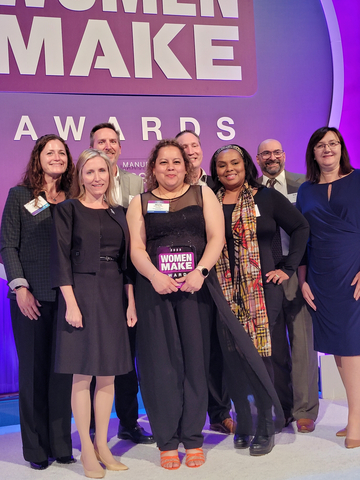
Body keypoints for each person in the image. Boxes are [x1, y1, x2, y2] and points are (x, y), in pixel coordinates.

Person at [127, 139, 285, 469]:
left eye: (176, 162)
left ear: (187, 167)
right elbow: (137, 249)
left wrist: (200, 271)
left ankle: (193, 437)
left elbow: (216, 238)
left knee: (196, 363)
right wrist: (155, 276)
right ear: (153, 168)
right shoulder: (139, 202)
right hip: (155, 290)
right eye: (163, 162)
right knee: (160, 366)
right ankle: (167, 441)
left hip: (196, 288)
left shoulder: (203, 194)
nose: (170, 167)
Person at [210, 144, 309, 448]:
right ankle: (244, 423)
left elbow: (301, 227)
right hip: (225, 291)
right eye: (222, 165)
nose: (229, 169)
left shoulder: (265, 197)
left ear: (246, 165)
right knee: (233, 358)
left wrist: (287, 268)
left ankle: (267, 424)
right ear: (215, 170)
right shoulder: (208, 202)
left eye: (235, 163)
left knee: (265, 356)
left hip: (264, 290)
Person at [51, 149, 136, 477]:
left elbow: (126, 262)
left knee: (109, 374)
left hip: (114, 293)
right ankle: (86, 449)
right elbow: (60, 259)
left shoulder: (119, 212)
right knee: (82, 374)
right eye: (90, 171)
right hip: (81, 293)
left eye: (102, 170)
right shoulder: (67, 209)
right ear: (80, 176)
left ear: (111, 173)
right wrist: (70, 304)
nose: (97, 177)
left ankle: (103, 444)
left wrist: (130, 300)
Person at [0, 134, 75, 470]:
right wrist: (20, 288)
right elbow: (7, 246)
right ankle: (35, 450)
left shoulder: (74, 198)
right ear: (38, 158)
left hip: (68, 299)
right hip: (30, 298)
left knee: (62, 375)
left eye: (62, 152)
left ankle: (61, 445)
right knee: (32, 374)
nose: (56, 157)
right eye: (50, 152)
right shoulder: (20, 197)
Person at [90, 123, 153, 444]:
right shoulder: (82, 182)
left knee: (127, 356)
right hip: (92, 283)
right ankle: (90, 425)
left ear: (120, 147)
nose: (108, 145)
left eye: (113, 141)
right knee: (91, 354)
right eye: (101, 141)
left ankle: (128, 422)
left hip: (129, 279)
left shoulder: (134, 184)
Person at [297, 127, 360, 449]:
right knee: (338, 345)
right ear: (313, 152)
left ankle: (356, 420)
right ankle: (355, 413)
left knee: (351, 344)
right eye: (321, 145)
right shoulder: (306, 191)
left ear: (341, 149)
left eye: (333, 144)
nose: (327, 149)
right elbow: (302, 239)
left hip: (351, 270)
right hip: (321, 274)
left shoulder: (358, 180)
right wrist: (303, 280)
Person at [256, 138, 319, 433]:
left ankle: (305, 407)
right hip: (266, 274)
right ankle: (282, 406)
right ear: (257, 159)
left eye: (276, 152)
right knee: (275, 346)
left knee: (303, 341)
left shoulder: (304, 184)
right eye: (265, 153)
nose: (271, 158)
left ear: (284, 155)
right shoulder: (251, 190)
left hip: (300, 271)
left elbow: (311, 228)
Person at [176, 129, 235, 435]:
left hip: (217, 277)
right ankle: (188, 411)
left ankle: (219, 410)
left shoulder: (218, 183)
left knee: (217, 346)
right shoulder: (165, 186)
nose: (190, 151)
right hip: (180, 281)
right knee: (189, 349)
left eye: (194, 145)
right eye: (183, 146)